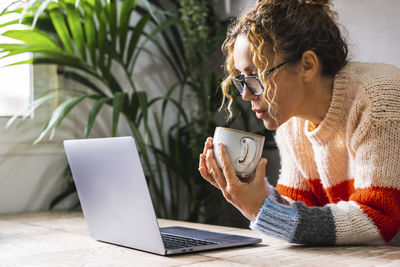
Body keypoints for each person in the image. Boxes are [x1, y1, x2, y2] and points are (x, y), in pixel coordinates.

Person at [198, 0, 400, 245]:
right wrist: (248, 191)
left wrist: (259, 209)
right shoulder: (292, 122)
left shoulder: (380, 101)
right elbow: (300, 209)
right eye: (242, 79)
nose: (246, 95)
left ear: (307, 65)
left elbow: (379, 220)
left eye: (256, 76)